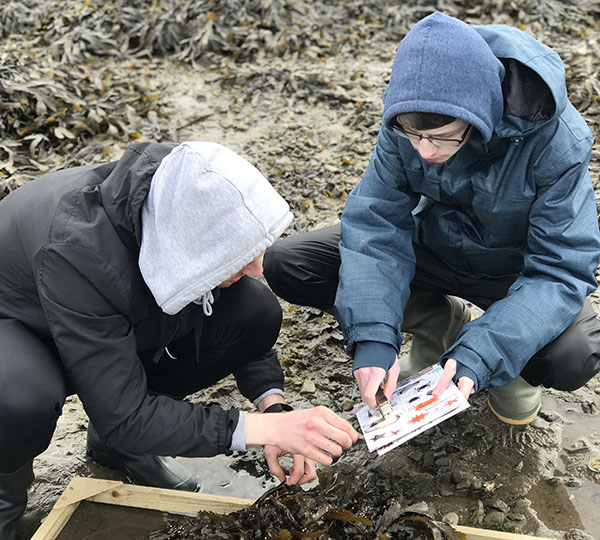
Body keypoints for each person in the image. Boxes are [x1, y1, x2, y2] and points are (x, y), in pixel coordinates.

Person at [0, 141, 359, 540]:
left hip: (101, 316)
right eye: (240, 254)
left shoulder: (188, 193)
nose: (259, 266)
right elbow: (126, 413)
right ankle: (5, 501)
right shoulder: (78, 248)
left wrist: (274, 411)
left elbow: (249, 329)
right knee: (18, 397)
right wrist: (254, 431)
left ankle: (116, 443)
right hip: (19, 322)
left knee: (255, 309)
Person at [263, 13, 600, 426]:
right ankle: (440, 322)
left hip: (514, 274)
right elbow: (376, 223)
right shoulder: (408, 115)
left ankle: (512, 372)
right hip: (432, 249)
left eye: (441, 137)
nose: (423, 150)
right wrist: (372, 335)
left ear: (481, 113)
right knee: (289, 264)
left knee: (576, 353)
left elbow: (560, 269)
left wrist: (483, 351)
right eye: (411, 134)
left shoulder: (557, 141)